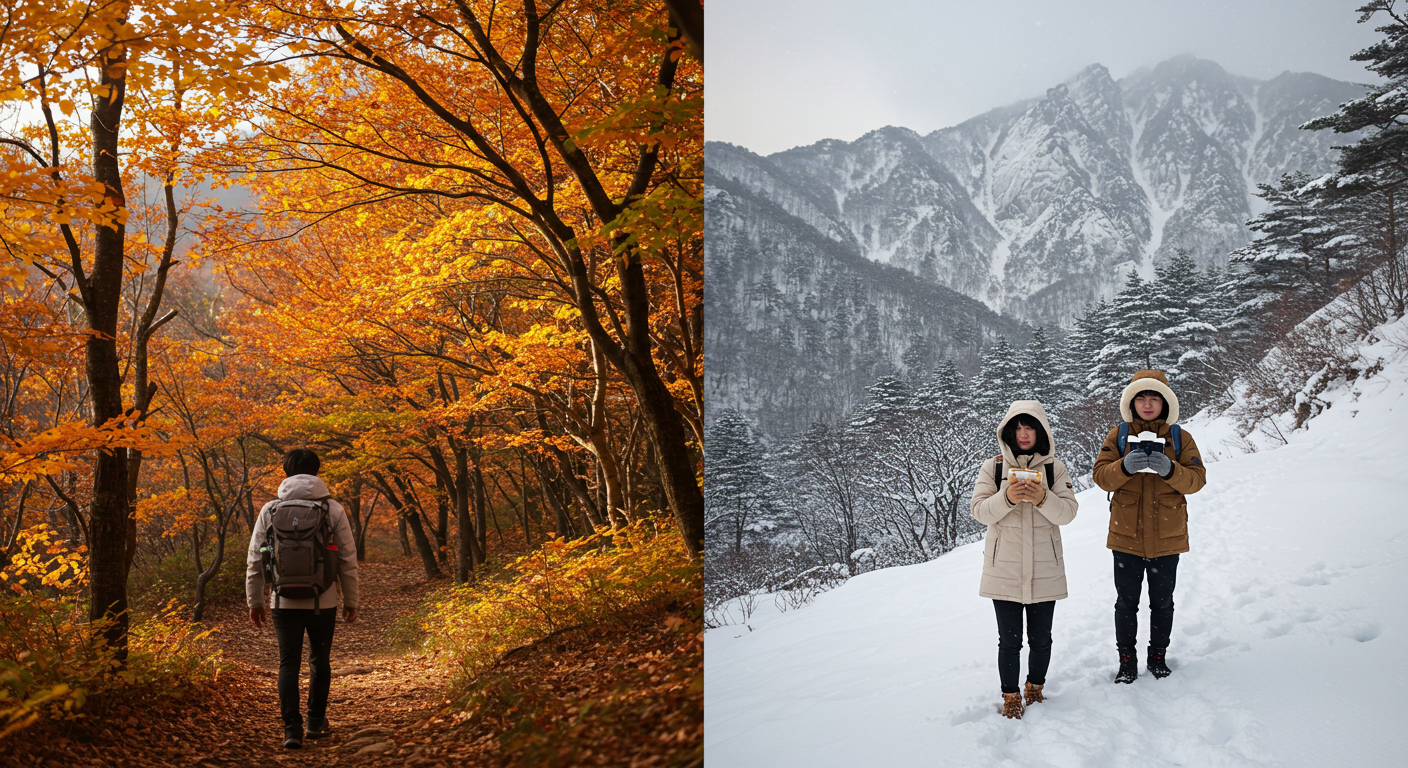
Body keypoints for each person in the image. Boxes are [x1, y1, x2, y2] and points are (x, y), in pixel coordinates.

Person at [1092, 370, 1206, 684]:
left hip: (1167, 537)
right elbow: (1101, 476)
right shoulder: (1118, 434)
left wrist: (1170, 469)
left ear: (1164, 403)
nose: (1146, 403)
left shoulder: (1180, 437)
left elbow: (1197, 480)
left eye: (1153, 398)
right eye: (1140, 397)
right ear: (1132, 402)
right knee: (1126, 603)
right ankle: (1127, 661)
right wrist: (1124, 466)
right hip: (1125, 537)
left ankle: (1158, 657)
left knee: (1162, 603)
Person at [971, 400, 1079, 719]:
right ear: (1008, 431)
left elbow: (1069, 513)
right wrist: (1007, 497)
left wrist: (1043, 498)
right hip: (1003, 568)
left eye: (1028, 426)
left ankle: (1035, 687)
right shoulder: (994, 468)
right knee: (1010, 640)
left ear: (1040, 430)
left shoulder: (1053, 469)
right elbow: (978, 510)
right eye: (1016, 427)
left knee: (1042, 639)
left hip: (1045, 568)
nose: (1022, 433)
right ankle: (1010, 696)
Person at [246, 448, 360, 749]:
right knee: (319, 661)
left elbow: (256, 559)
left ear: (286, 472)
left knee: (288, 664)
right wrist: (351, 598)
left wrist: (254, 601)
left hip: (282, 601)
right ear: (317, 471)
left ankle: (291, 730)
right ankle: (314, 722)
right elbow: (347, 557)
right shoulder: (332, 508)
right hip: (323, 600)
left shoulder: (269, 509)